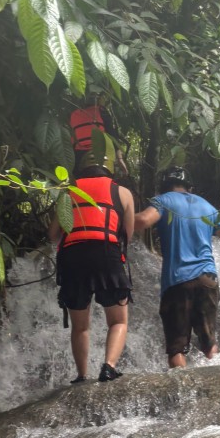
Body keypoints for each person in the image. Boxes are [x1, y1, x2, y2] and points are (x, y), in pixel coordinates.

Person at [134, 167, 220, 368]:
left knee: (177, 348)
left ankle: (181, 388)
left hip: (178, 281)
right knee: (209, 344)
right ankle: (216, 379)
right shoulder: (207, 207)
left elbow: (143, 220)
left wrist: (116, 219)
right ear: (190, 187)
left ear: (163, 186)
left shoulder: (163, 201)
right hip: (207, 280)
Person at [48, 138, 135, 384]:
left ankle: (81, 375)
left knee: (80, 326)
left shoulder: (69, 191)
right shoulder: (122, 192)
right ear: (110, 167)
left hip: (72, 257)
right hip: (106, 254)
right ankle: (109, 367)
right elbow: (127, 235)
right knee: (118, 320)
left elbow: (53, 234)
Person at [69, 91, 129, 179]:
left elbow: (72, 140)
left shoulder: (74, 114)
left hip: (80, 156)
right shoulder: (102, 111)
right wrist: (120, 159)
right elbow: (112, 135)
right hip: (100, 154)